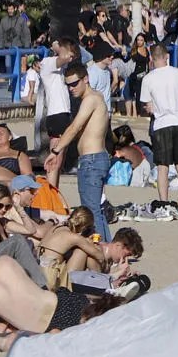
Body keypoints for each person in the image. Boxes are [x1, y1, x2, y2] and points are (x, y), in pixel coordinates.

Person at [49, 61, 112, 241]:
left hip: (92, 160)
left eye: (75, 83)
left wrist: (55, 152)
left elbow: (75, 127)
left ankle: (102, 250)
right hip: (92, 159)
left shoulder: (91, 99)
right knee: (96, 210)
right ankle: (107, 249)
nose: (71, 88)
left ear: (86, 79)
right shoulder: (92, 99)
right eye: (68, 85)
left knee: (91, 211)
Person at [138, 44, 178, 217]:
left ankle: (164, 204)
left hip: (162, 123)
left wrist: (152, 108)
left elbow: (147, 104)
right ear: (166, 56)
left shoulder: (149, 78)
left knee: (163, 167)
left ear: (151, 59)